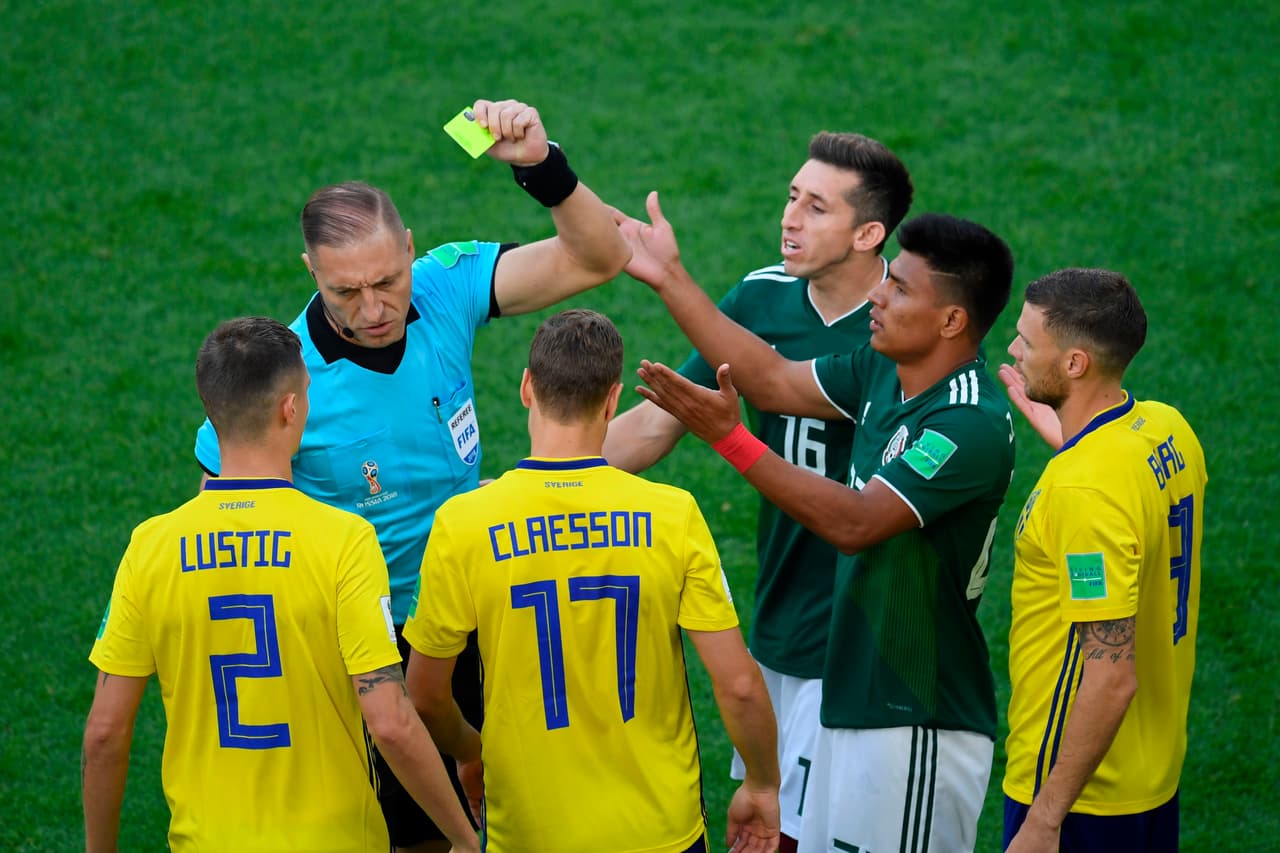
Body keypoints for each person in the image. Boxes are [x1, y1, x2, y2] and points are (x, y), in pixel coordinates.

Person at [191, 98, 629, 851]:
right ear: (311, 272)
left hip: (485, 605)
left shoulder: (444, 286)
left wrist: (540, 166)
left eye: (387, 281)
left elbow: (600, 257)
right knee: (419, 835)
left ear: (410, 250)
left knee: (538, 811)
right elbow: (223, 520)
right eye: (345, 292)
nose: (373, 309)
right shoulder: (283, 382)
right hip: (378, 645)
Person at [617, 197, 1017, 852]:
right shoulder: (883, 367)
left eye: (900, 287)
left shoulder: (967, 423)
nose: (879, 295)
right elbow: (772, 379)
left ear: (952, 320)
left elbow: (858, 522)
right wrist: (669, 278)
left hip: (916, 719)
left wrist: (731, 439)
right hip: (855, 695)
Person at [603, 131, 913, 851]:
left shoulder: (906, 328)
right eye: (792, 197)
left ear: (869, 233)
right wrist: (536, 479)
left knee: (800, 836)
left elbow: (773, 387)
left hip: (859, 634)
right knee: (761, 830)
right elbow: (657, 421)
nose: (789, 218)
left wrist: (670, 278)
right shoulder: (762, 295)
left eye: (816, 207)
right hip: (778, 618)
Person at [83, 317, 478, 853]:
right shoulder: (343, 540)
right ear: (291, 409)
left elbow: (105, 732)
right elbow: (389, 721)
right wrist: (462, 838)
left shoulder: (150, 547)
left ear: (212, 412)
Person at [401, 309, 781, 853]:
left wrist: (468, 750)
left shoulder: (463, 524)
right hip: (660, 831)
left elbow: (424, 694)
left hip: (529, 833)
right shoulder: (673, 515)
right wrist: (761, 784)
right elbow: (739, 685)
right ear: (612, 400)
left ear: (527, 388)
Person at [1000, 269, 1206, 852]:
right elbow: (1125, 497)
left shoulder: (1082, 492)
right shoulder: (1166, 429)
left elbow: (1111, 678)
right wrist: (1076, 445)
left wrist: (1044, 820)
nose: (1013, 350)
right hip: (1150, 777)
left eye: (1027, 341)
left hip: (1080, 797)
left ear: (1074, 363)